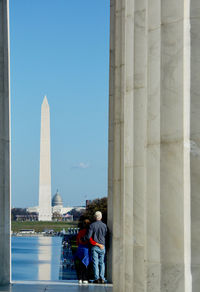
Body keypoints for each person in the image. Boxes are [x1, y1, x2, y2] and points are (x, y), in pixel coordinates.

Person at [83, 211, 107, 284]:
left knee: (95, 263)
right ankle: (102, 278)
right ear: (101, 217)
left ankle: (96, 278)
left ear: (95, 217)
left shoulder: (92, 225)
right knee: (102, 263)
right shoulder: (104, 225)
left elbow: (88, 236)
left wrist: (83, 239)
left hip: (95, 246)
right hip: (102, 246)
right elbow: (106, 235)